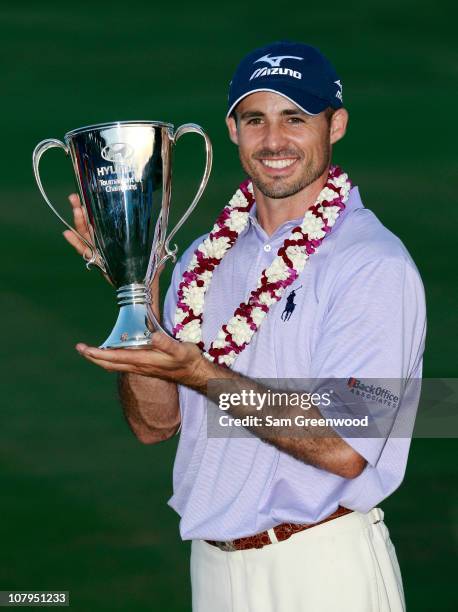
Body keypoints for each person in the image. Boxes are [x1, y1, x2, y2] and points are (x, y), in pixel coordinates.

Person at [67, 41, 426, 612]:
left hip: (322, 573)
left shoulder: (371, 263)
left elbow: (344, 446)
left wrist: (204, 374)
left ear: (336, 126)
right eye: (255, 119)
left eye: (295, 118)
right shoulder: (202, 260)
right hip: (211, 573)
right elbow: (155, 423)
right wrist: (139, 284)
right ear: (232, 130)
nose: (274, 140)